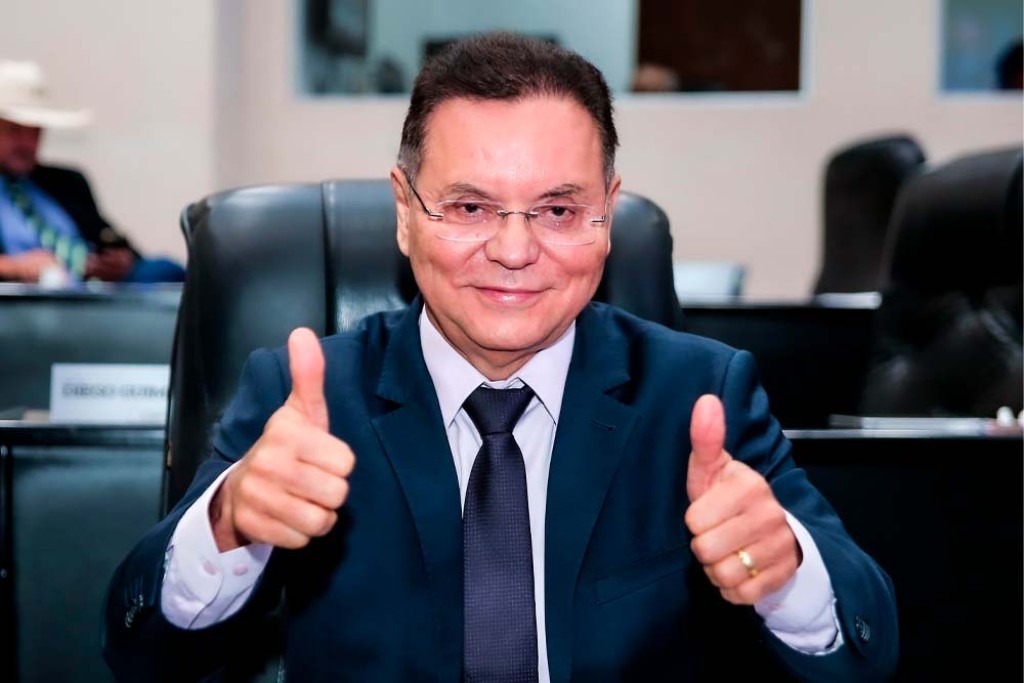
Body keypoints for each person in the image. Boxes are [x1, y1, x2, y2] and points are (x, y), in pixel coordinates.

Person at [103, 33, 897, 681]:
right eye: (470, 206)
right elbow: (140, 649)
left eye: (559, 210)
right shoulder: (306, 398)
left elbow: (866, 649)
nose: (515, 250)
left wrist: (784, 567)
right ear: (404, 212)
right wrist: (231, 521)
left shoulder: (697, 397)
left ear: (607, 213)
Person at [0, 60, 185, 284]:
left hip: (90, 292)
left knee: (165, 271)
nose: (27, 143)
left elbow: (113, 241)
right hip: (21, 299)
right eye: (14, 130)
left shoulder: (66, 182)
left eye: (35, 131)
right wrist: (13, 267)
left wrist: (118, 262)